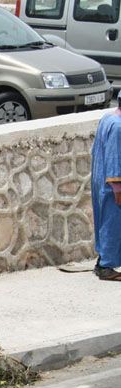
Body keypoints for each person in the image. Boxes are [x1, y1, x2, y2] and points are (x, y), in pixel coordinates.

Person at [91, 95, 121, 281]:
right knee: (113, 223)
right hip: (112, 185)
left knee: (106, 222)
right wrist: (117, 188)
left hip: (101, 179)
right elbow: (114, 159)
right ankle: (105, 266)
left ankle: (103, 260)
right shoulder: (118, 127)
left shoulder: (108, 118)